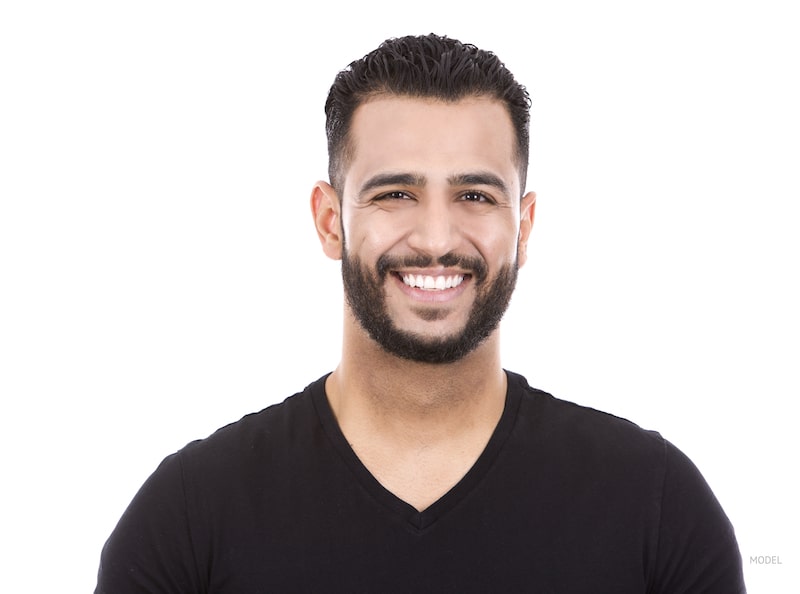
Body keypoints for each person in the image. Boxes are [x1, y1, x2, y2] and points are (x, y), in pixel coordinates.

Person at [95, 34, 745, 593]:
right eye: (396, 193)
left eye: (474, 194)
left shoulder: (656, 510)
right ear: (329, 221)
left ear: (523, 225)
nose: (436, 237)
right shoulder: (190, 519)